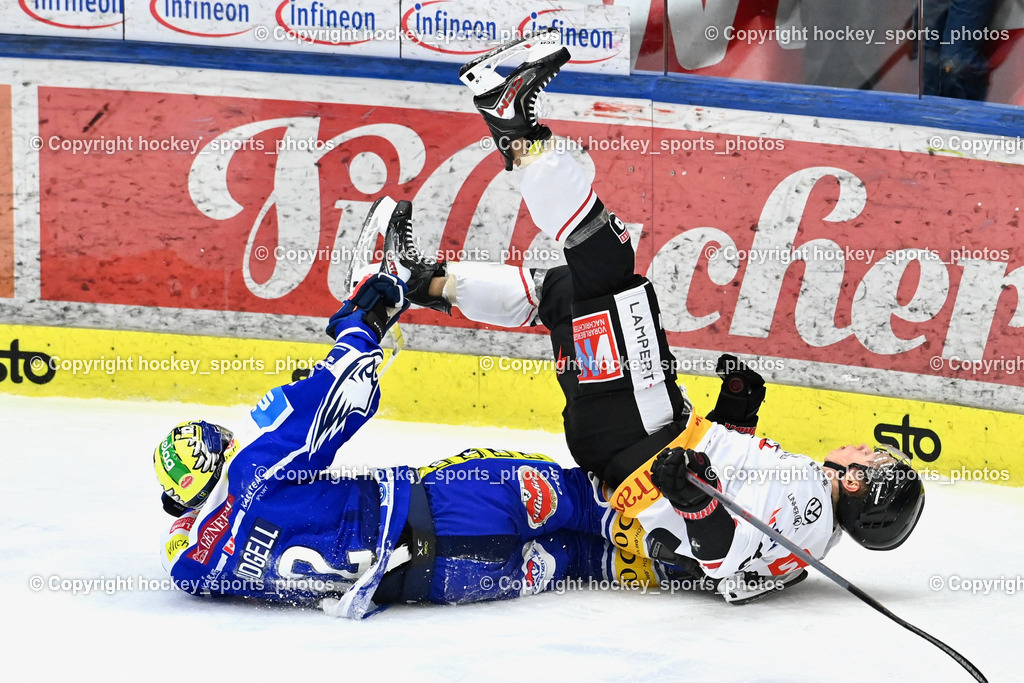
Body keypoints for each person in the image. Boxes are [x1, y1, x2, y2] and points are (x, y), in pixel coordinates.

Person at [380, 30, 926, 603]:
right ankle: (415, 280)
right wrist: (737, 416)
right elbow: (730, 513)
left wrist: (697, 503)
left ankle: (513, 121)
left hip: (642, 429)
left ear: (863, 485)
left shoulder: (810, 512)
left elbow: (720, 557)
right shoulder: (805, 530)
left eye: (874, 458)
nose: (869, 449)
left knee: (607, 263)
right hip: (629, 434)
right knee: (571, 292)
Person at [154, 266, 643, 618]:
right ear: (218, 462)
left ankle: (682, 566)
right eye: (225, 443)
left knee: (589, 559)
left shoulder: (197, 564)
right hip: (451, 504)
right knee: (586, 497)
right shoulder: (249, 473)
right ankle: (697, 533)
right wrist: (359, 329)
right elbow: (339, 398)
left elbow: (187, 547)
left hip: (440, 582)